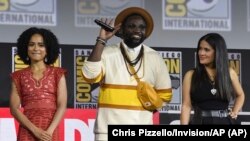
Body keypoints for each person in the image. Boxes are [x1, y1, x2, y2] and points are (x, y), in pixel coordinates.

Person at [82, 7, 172, 140]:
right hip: (107, 131)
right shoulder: (107, 53)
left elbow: (165, 96)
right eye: (131, 26)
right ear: (121, 30)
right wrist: (102, 40)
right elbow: (89, 76)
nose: (137, 30)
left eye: (141, 27)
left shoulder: (155, 57)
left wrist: (144, 110)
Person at [9, 27, 67, 141]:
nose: (36, 48)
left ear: (48, 49)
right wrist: (35, 130)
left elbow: (62, 105)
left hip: (49, 131)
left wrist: (49, 132)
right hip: (27, 130)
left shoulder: (58, 74)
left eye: (41, 45)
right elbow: (14, 109)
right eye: (31, 44)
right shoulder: (18, 76)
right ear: (25, 48)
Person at [180, 33, 245, 125]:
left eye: (207, 50)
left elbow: (240, 95)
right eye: (200, 49)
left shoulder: (229, 73)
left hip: (225, 122)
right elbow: (186, 106)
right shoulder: (190, 75)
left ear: (218, 52)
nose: (201, 53)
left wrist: (235, 111)